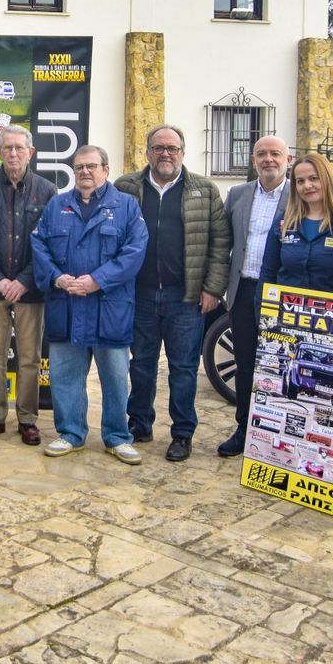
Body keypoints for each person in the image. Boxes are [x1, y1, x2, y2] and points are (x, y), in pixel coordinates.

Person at [114, 124, 230, 462]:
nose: (166, 154)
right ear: (147, 151)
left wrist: (212, 289)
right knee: (142, 365)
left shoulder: (204, 190)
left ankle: (182, 433)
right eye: (159, 147)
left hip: (187, 298)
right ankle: (139, 425)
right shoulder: (126, 187)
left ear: (182, 152)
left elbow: (220, 244)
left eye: (173, 148)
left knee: (182, 368)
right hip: (140, 295)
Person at [31, 146, 148, 463]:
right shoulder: (57, 206)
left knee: (114, 378)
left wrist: (98, 279)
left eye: (91, 166)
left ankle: (117, 437)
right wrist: (57, 278)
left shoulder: (126, 206)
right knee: (65, 376)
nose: (85, 171)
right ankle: (70, 433)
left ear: (106, 170)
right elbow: (38, 245)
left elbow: (135, 251)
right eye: (79, 166)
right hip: (66, 306)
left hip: (109, 308)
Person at [0, 125, 57, 445]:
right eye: (8, 148)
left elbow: (49, 243)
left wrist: (23, 280)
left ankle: (27, 418)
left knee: (30, 357)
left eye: (20, 148)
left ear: (30, 152)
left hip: (30, 290)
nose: (14, 153)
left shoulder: (47, 191)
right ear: (0, 152)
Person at [216, 135, 290, 457]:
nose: (268, 159)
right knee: (245, 365)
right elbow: (223, 244)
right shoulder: (237, 194)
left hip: (282, 295)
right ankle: (244, 429)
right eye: (262, 154)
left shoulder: (300, 193)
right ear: (252, 159)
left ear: (288, 159)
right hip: (244, 290)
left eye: (276, 154)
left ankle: (283, 435)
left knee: (282, 368)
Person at [257, 152, 333, 304]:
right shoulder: (283, 224)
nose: (307, 185)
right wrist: (262, 313)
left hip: (332, 321)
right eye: (300, 181)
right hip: (285, 321)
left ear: (327, 179)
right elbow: (267, 275)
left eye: (314, 178)